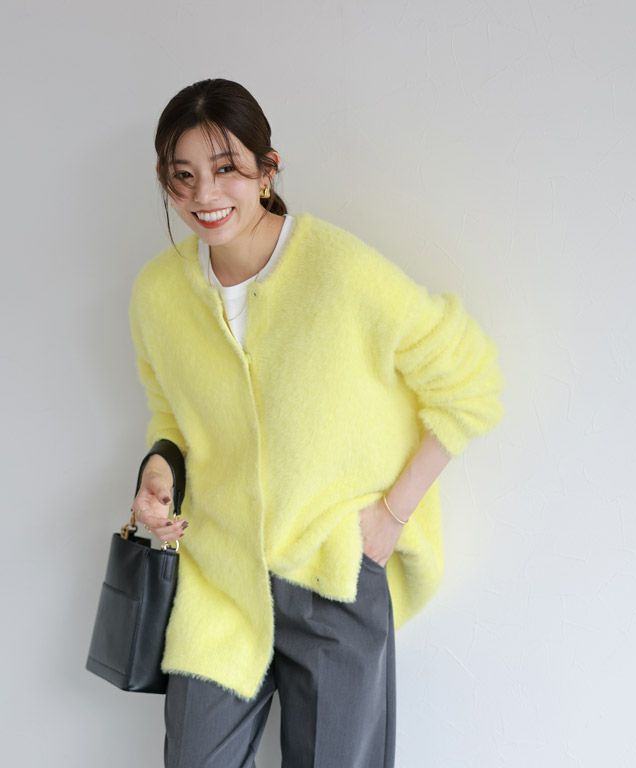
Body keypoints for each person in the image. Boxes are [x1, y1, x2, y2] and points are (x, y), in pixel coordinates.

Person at [128, 78, 505, 768]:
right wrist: (159, 468)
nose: (205, 195)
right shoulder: (158, 293)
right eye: (183, 177)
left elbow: (470, 381)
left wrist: (392, 516)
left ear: (267, 170)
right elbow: (171, 414)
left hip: (334, 573)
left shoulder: (340, 270)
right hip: (220, 580)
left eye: (226, 168)